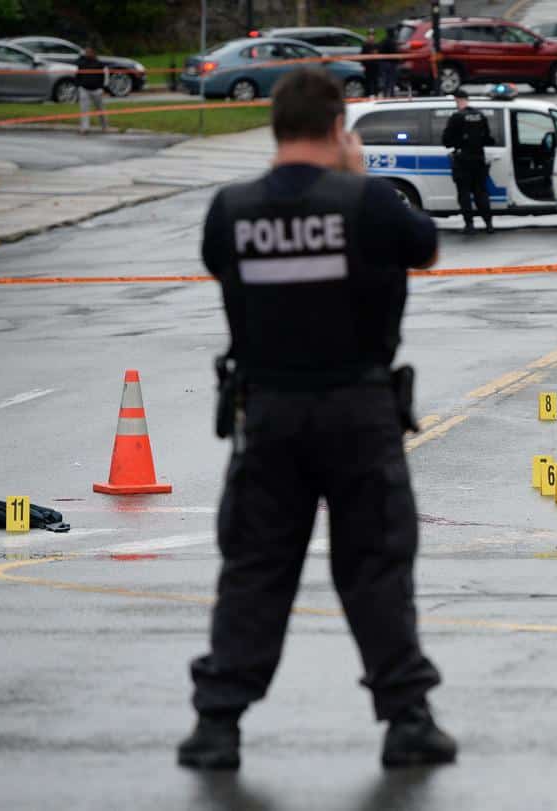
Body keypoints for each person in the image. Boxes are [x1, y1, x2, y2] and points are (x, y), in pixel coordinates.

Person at [178, 67, 457, 772]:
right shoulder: (365, 201)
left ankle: (217, 724)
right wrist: (359, 176)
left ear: (274, 127)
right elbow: (426, 247)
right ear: (338, 128)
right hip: (358, 411)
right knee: (376, 565)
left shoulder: (230, 209)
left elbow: (223, 265)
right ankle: (407, 720)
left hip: (267, 411)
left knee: (255, 566)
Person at [442, 89, 495, 235]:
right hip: (479, 159)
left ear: (458, 100)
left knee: (464, 193)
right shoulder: (480, 115)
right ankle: (489, 224)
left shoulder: (456, 117)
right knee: (481, 192)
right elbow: (488, 138)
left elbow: (446, 140)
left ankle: (470, 225)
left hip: (462, 160)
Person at [75, 47, 108, 135]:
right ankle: (85, 128)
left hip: (97, 90)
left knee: (100, 109)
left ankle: (104, 126)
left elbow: (105, 75)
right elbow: (78, 73)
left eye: (89, 52)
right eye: (86, 52)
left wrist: (103, 88)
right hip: (84, 89)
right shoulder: (82, 62)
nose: (87, 54)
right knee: (84, 109)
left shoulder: (99, 63)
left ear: (94, 53)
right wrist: (78, 85)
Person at [378, 25, 399, 98]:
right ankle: (392, 94)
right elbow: (396, 52)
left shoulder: (383, 42)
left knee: (385, 80)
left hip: (383, 63)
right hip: (392, 64)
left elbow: (379, 50)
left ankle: (385, 94)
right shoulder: (393, 42)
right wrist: (398, 61)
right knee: (391, 80)